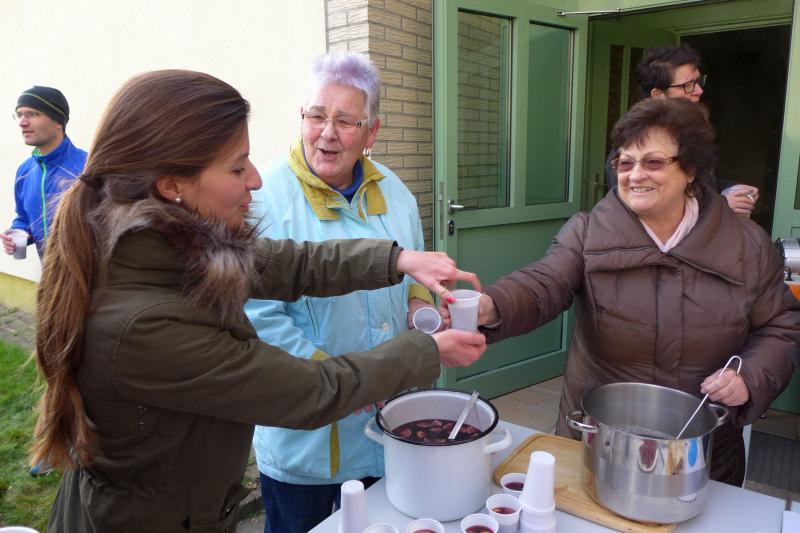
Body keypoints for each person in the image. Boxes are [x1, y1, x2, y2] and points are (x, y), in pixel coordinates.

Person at [32, 69, 487, 533]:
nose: (254, 179)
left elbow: (296, 263)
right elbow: (312, 390)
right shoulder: (144, 326)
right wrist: (429, 350)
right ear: (172, 186)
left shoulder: (177, 248)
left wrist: (399, 260)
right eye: (237, 168)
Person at [459, 98, 799, 486]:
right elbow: (544, 282)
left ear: (690, 169)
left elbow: (781, 327)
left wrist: (749, 377)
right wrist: (492, 305)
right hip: (597, 444)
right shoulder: (588, 232)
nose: (635, 175)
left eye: (653, 162)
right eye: (625, 163)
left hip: (699, 455)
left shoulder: (747, 245)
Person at [244, 52, 438, 533]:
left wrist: (420, 302)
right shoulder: (262, 196)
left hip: (385, 425)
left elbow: (414, 264)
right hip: (306, 435)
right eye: (316, 116)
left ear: (372, 133)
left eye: (346, 121)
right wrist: (335, 383)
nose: (326, 133)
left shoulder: (395, 191)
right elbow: (255, 317)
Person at [605, 45, 759, 217]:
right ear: (658, 95)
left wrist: (731, 189)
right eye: (688, 85)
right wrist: (722, 204)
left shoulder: (687, 137)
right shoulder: (628, 151)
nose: (699, 91)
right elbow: (644, 213)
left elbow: (700, 185)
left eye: (698, 82)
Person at [2, 86, 87, 259]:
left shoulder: (88, 168)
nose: (22, 123)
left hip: (89, 273)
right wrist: (19, 233)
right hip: (48, 272)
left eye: (32, 114)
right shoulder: (25, 171)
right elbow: (24, 217)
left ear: (58, 122)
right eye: (19, 115)